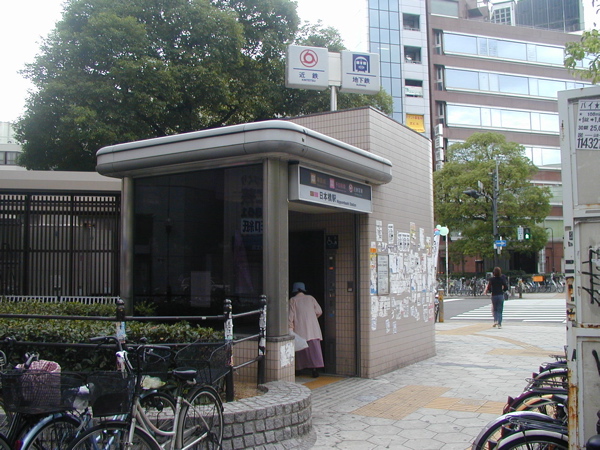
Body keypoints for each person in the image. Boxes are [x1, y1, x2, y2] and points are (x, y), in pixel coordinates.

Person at [288, 282, 324, 377]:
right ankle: (314, 370)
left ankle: (298, 369)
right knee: (314, 350)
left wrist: (290, 328)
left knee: (300, 350)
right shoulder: (311, 298)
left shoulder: (293, 300)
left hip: (300, 329)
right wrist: (312, 318)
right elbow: (319, 311)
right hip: (313, 330)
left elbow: (290, 317)